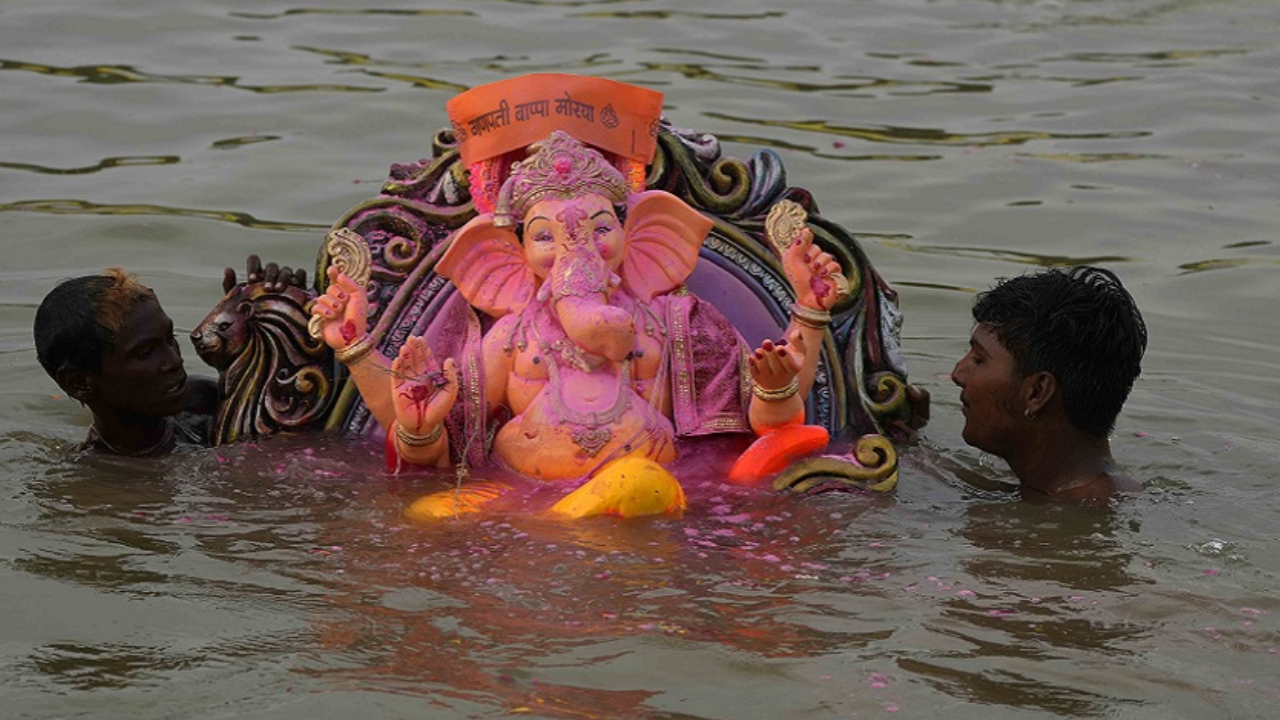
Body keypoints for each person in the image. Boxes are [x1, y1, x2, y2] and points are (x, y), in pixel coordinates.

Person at [950, 265, 1147, 503]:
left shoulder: (1067, 526)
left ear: (1037, 392)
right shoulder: (1076, 498)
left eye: (979, 360)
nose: (958, 374)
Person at [34, 268, 218, 456]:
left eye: (170, 338)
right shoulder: (96, 478)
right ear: (79, 383)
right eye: (146, 353)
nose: (175, 360)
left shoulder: (207, 403)